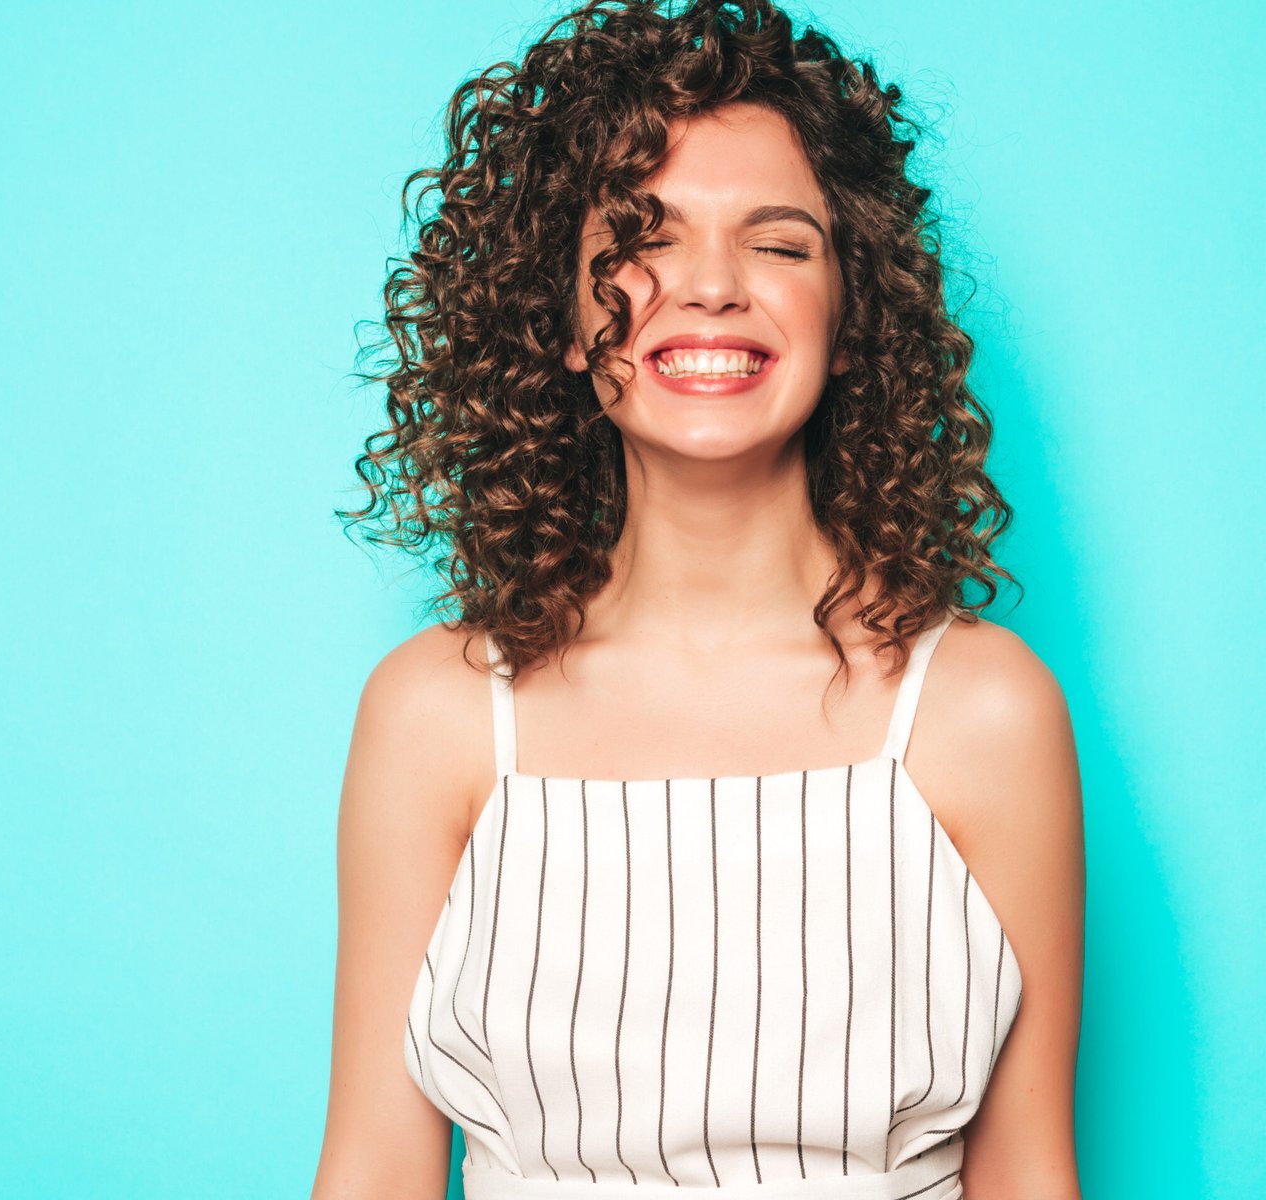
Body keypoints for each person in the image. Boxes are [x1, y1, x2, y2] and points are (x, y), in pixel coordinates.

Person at [311, 2, 1084, 1197]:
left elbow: (1029, 1174)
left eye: (779, 244)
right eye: (641, 239)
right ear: (563, 319)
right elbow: (371, 1171)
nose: (713, 287)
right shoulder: (437, 715)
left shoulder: (984, 712)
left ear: (848, 313)